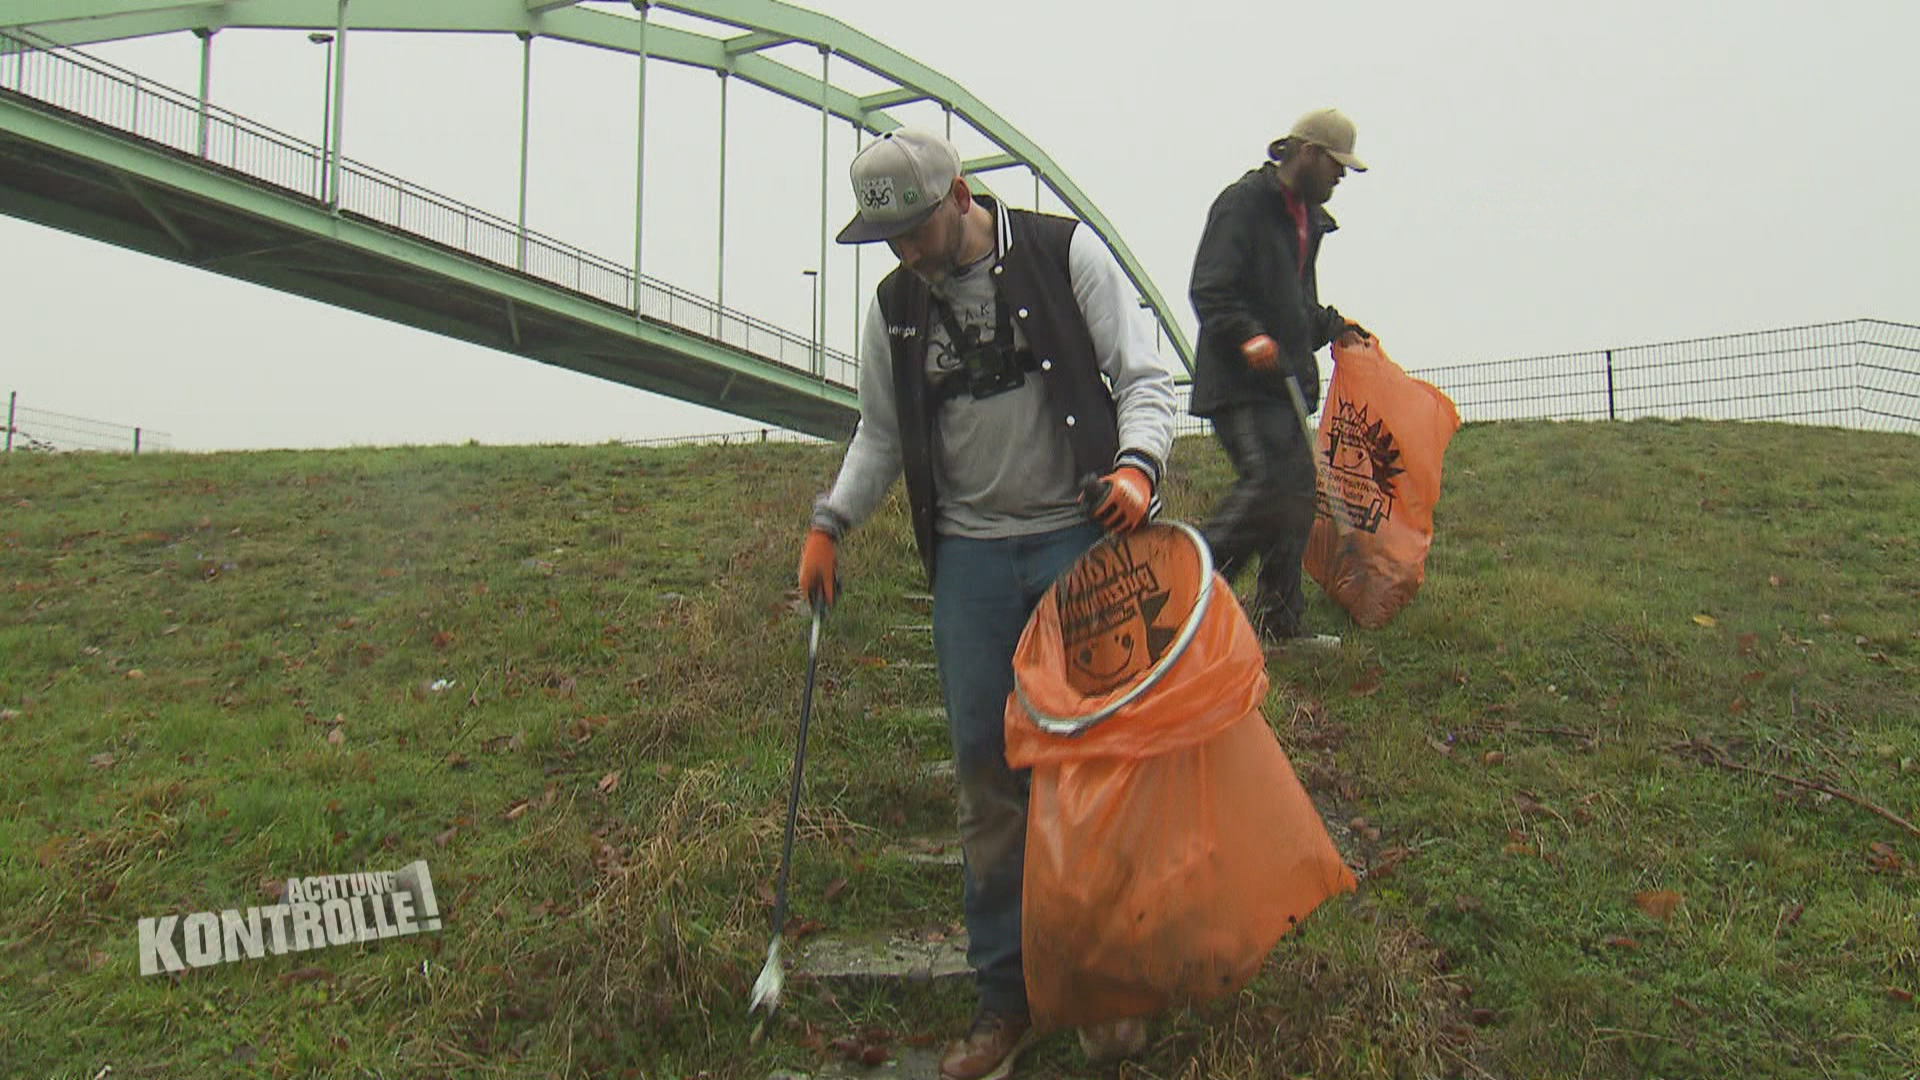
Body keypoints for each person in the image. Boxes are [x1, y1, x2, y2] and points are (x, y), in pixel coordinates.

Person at [796, 129, 1176, 1080]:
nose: (904, 253)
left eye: (916, 231)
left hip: (1079, 544)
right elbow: (881, 434)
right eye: (886, 239)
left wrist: (1138, 467)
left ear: (960, 196)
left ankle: (1108, 981)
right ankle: (1006, 1001)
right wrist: (831, 522)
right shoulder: (895, 307)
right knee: (985, 774)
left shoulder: (1065, 253)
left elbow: (1145, 378)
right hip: (968, 560)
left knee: (1095, 765)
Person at [1188, 107, 1372, 643]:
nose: (1340, 178)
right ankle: (1185, 594)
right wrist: (1248, 335)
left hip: (1283, 385)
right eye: (1336, 166)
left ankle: (1279, 627)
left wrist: (1336, 327)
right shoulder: (1243, 204)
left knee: (1295, 496)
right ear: (1307, 153)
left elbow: (1295, 309)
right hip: (1240, 384)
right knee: (1271, 485)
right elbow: (1210, 287)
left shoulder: (1307, 222)